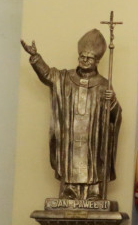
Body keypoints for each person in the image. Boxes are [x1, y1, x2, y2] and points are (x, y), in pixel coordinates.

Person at [20, 30, 122, 200]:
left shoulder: (104, 85)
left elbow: (114, 117)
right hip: (70, 136)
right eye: (82, 56)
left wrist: (112, 103)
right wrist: (35, 57)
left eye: (89, 58)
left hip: (92, 138)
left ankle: (93, 194)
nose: (84, 60)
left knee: (93, 162)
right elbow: (47, 75)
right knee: (70, 161)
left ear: (97, 61)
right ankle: (69, 192)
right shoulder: (65, 78)